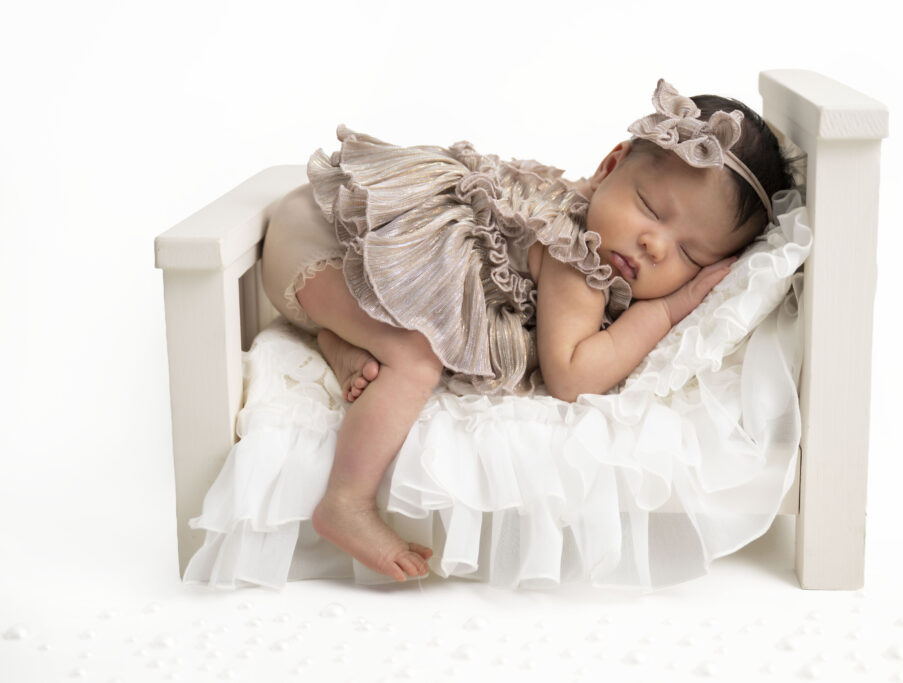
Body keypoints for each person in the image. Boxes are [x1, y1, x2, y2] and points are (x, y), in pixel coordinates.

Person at [260, 79, 796, 583]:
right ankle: (346, 502)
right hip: (324, 247)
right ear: (611, 166)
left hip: (319, 241)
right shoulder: (576, 258)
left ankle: (340, 341)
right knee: (416, 358)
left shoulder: (577, 209)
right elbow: (571, 375)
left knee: (408, 333)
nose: (655, 245)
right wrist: (667, 309)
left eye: (689, 254)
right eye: (651, 209)